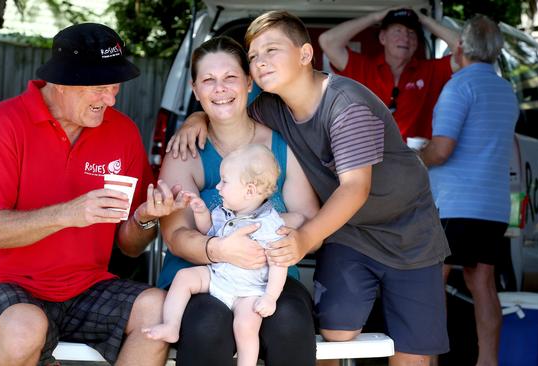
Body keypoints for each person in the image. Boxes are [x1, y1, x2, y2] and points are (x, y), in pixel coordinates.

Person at [168, 11, 451, 366]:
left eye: (272, 50)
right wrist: (195, 118)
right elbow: (227, 109)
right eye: (253, 56)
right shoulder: (271, 107)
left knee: (413, 351)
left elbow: (354, 189)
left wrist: (303, 239)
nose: (260, 62)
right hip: (348, 231)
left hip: (409, 231)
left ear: (305, 55)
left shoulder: (346, 105)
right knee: (334, 333)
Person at [0, 23, 183, 366]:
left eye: (115, 86)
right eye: (100, 88)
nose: (111, 98)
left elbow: (130, 246)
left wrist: (145, 218)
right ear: (61, 83)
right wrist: (68, 214)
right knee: (26, 326)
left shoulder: (122, 132)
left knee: (159, 310)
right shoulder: (3, 125)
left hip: (84, 288)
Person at [157, 36, 320, 366]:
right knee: (206, 325)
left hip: (267, 278)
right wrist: (220, 249)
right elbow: (176, 236)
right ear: (195, 88)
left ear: (248, 82)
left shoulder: (280, 145)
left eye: (230, 77)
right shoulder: (186, 150)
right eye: (208, 80)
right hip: (202, 274)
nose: (220, 89)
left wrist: (276, 243)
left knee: (289, 320)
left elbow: (309, 221)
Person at [146, 144, 304, 366]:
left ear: (249, 190)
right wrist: (201, 214)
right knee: (184, 277)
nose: (218, 187)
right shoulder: (224, 211)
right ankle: (171, 326)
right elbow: (210, 232)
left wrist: (270, 297)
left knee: (246, 327)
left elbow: (279, 263)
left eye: (225, 181)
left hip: (249, 290)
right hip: (219, 276)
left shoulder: (269, 224)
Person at [420, 15, 519, 366]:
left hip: (453, 205)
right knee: (484, 285)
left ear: (459, 48)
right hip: (492, 207)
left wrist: (413, 157)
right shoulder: (506, 91)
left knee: (434, 283)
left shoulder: (459, 86)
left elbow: (442, 149)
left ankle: (429, 361)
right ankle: (488, 361)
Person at [318, 7, 459, 139]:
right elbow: (327, 41)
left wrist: (424, 19)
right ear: (382, 37)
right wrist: (376, 16)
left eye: (411, 33)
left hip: (416, 161)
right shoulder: (364, 68)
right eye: (398, 30)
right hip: (370, 161)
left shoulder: (431, 70)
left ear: (417, 42)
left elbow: (465, 50)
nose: (405, 38)